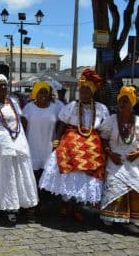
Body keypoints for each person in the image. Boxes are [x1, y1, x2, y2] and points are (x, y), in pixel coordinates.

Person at [39, 69, 110, 221]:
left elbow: (104, 130)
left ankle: (77, 206)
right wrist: (57, 142)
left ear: (92, 92)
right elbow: (62, 125)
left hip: (92, 143)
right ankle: (66, 205)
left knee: (87, 173)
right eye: (81, 90)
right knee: (67, 167)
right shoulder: (71, 106)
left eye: (86, 90)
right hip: (71, 140)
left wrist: (106, 148)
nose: (83, 93)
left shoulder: (101, 109)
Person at [0, 74, 39, 223]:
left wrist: (21, 136)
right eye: (0, 85)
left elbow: (21, 120)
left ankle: (14, 206)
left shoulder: (13, 102)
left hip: (17, 141)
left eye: (5, 85)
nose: (4, 87)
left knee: (18, 172)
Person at [99, 86, 139, 234]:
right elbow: (103, 139)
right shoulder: (110, 121)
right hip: (115, 160)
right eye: (121, 101)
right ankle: (113, 217)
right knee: (114, 182)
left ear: (132, 104)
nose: (122, 104)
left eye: (126, 101)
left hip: (134, 161)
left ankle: (131, 220)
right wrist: (110, 153)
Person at [22, 81, 63, 217]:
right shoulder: (28, 108)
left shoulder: (56, 108)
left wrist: (57, 143)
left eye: (46, 92)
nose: (44, 95)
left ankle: (44, 204)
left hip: (48, 147)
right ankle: (31, 205)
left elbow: (60, 126)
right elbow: (22, 127)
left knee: (45, 177)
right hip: (32, 146)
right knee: (32, 177)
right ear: (35, 94)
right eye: (41, 92)